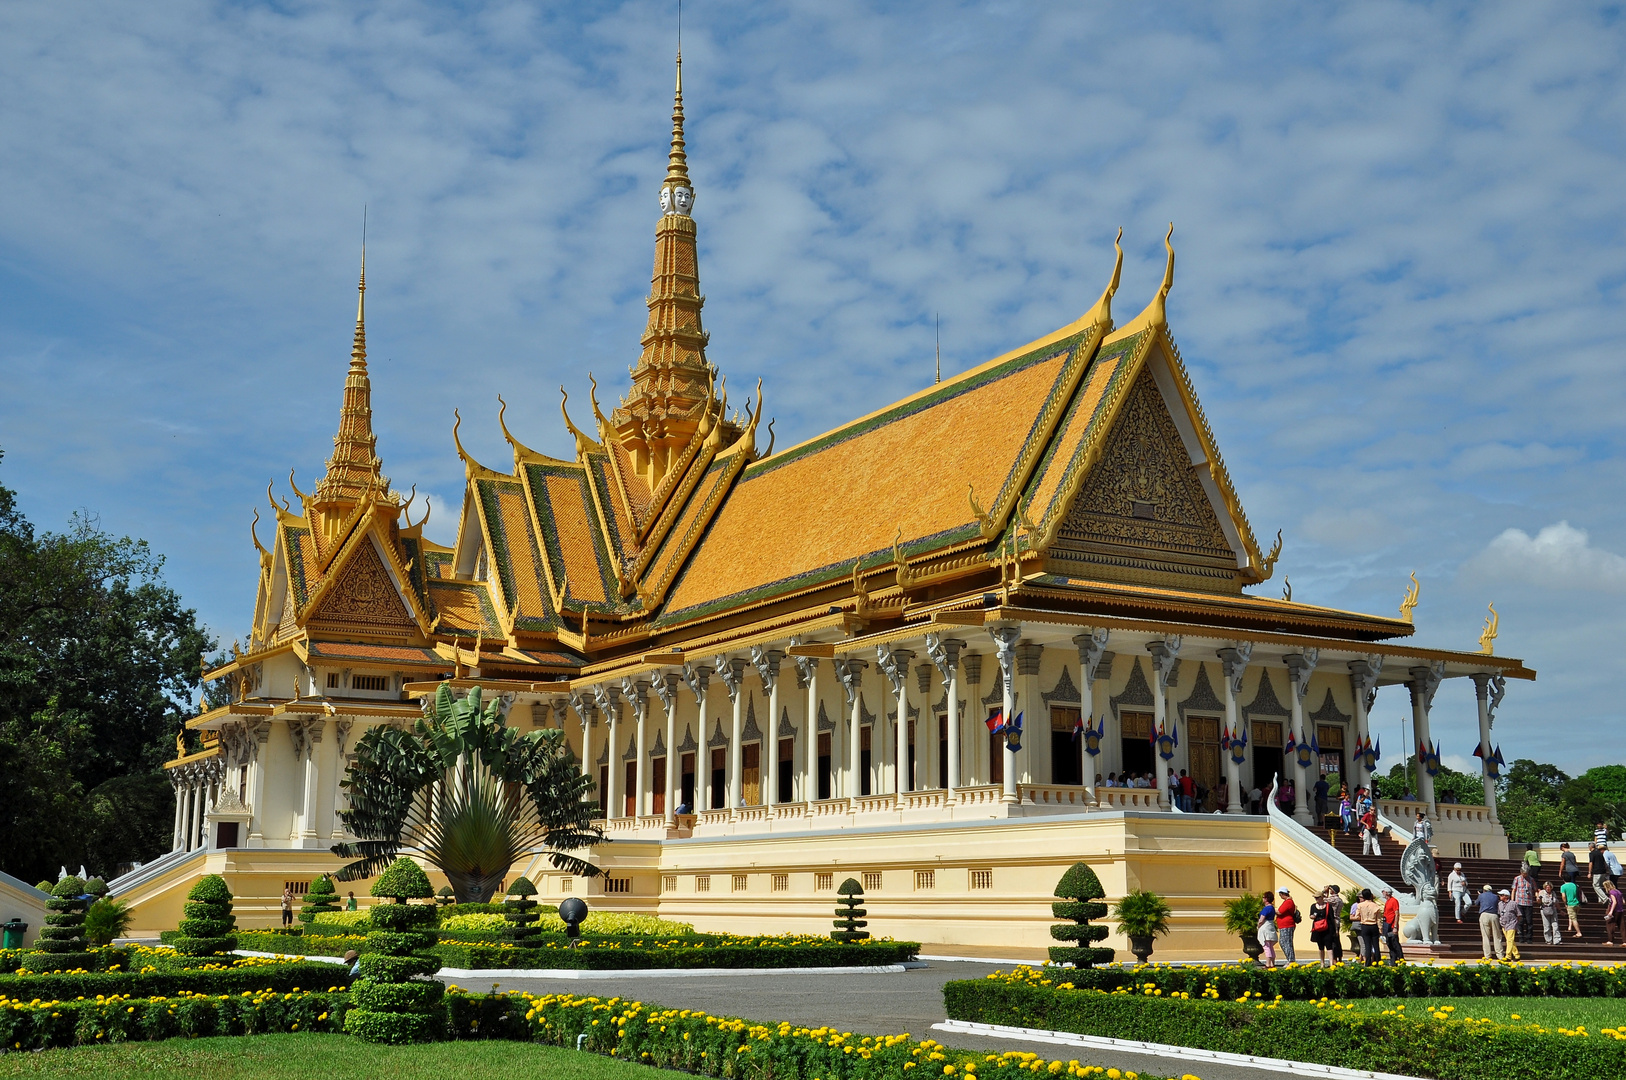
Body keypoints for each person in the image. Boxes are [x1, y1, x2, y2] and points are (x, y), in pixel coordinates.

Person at [1309, 886, 1341, 966]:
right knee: (1320, 946)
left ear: (1321, 898)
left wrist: (1335, 929)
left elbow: (1332, 918)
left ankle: (1331, 963)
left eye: (1317, 897)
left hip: (1327, 928)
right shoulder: (1313, 906)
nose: (1316, 899)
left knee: (1329, 946)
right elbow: (1311, 915)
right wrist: (1312, 917)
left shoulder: (1328, 906)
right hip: (1317, 928)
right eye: (1315, 898)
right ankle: (1322, 963)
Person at [1355, 888, 1382, 963]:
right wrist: (1380, 928)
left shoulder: (1360, 905)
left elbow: (1357, 916)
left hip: (1365, 925)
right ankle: (1378, 961)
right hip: (1373, 925)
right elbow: (1379, 919)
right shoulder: (1376, 906)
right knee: (1376, 945)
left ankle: (1368, 962)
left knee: (1367, 945)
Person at [1477, 884, 1503, 959]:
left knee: (1485, 936)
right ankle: (1500, 955)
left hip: (1484, 915)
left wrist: (1480, 895)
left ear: (1484, 890)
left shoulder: (1481, 896)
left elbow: (1476, 903)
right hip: (1494, 915)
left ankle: (1487, 955)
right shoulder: (1495, 896)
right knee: (1497, 936)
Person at [1511, 865, 1536, 944]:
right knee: (1520, 921)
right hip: (1519, 902)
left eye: (1526, 873)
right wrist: (1512, 901)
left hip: (1529, 903)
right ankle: (1521, 936)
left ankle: (1529, 937)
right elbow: (1514, 890)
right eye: (1524, 873)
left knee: (1529, 921)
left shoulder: (1531, 879)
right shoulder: (1517, 879)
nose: (1525, 875)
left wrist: (1537, 897)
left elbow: (1535, 889)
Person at [1380, 887, 1403, 962]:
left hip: (1392, 925)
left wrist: (1395, 926)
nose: (1382, 893)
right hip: (1387, 924)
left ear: (1386, 892)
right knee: (1389, 942)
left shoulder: (1394, 901)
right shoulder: (1388, 901)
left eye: (1383, 891)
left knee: (1394, 942)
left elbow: (1396, 914)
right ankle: (1393, 959)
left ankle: (1400, 958)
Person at [1275, 888, 1298, 963]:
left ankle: (1291, 960)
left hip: (1287, 925)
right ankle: (1290, 959)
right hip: (1283, 925)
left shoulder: (1288, 902)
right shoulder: (1287, 901)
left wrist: (1272, 908)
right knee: (1283, 942)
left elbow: (1280, 912)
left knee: (1286, 942)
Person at [1498, 889, 1521, 961]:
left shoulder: (1513, 903)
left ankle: (1508, 956)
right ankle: (1517, 955)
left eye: (1501, 895)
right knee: (1509, 940)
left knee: (1509, 940)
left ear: (1506, 896)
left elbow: (1519, 914)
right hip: (1504, 924)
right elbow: (1499, 913)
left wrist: (1516, 922)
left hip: (1511, 923)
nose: (1500, 896)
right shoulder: (1499, 904)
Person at [1257, 891, 1278, 968]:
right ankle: (1272, 963)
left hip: (1265, 927)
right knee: (1270, 946)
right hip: (1271, 926)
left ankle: (1268, 963)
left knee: (1266, 946)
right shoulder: (1272, 908)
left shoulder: (1266, 908)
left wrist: (1258, 926)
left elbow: (1261, 919)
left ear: (1266, 899)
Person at [1561, 876, 1583, 940]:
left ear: (1563, 879)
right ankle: (1570, 927)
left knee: (1574, 918)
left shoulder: (1563, 886)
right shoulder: (1575, 885)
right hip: (1577, 903)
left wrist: (1565, 903)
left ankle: (1578, 932)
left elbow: (1563, 896)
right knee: (1572, 915)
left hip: (1570, 904)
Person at [1605, 879, 1625, 946]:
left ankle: (1610, 941)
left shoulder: (1612, 892)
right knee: (1622, 926)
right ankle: (1624, 941)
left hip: (1615, 911)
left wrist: (1611, 911)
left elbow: (1614, 902)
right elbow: (1623, 902)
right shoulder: (1618, 891)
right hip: (1621, 911)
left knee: (1610, 925)